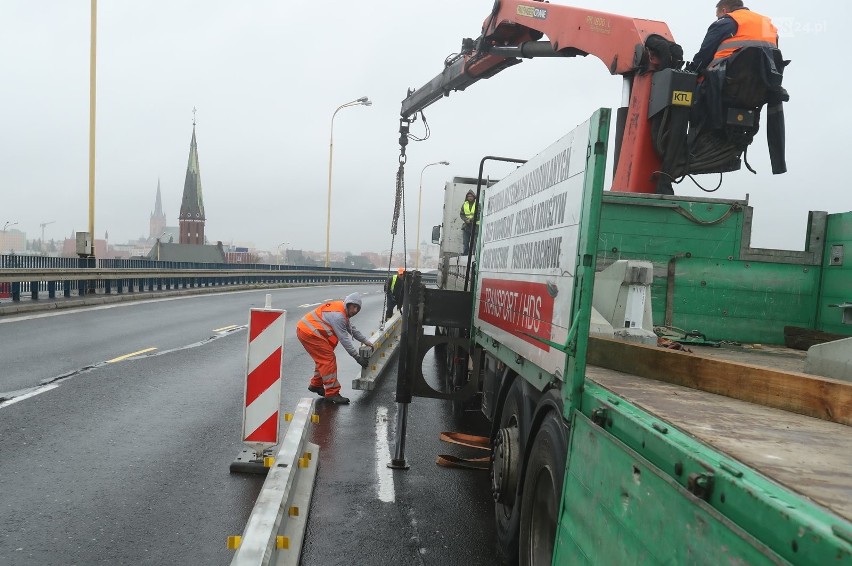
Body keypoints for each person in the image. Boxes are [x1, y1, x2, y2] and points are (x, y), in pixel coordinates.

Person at [296, 292, 374, 405]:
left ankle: (316, 384)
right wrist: (357, 357)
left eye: (358, 309)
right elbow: (344, 339)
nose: (355, 311)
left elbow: (352, 329)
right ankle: (332, 393)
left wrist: (366, 341)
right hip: (309, 332)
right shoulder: (338, 316)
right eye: (354, 307)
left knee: (323, 359)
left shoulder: (342, 310)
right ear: (348, 304)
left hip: (307, 330)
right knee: (328, 359)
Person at [688, 0, 778, 73]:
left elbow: (705, 53)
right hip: (763, 83)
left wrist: (692, 70)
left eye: (718, 16)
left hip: (725, 81)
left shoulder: (726, 22)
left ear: (724, 11)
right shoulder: (767, 24)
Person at [460, 189, 477, 255]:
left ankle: (474, 255)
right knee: (466, 243)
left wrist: (471, 220)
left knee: (475, 243)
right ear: (467, 197)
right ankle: (465, 255)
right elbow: (462, 214)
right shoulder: (464, 204)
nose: (470, 197)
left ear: (474, 197)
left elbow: (478, 214)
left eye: (471, 196)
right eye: (468, 196)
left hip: (475, 226)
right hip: (467, 226)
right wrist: (466, 220)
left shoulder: (477, 204)